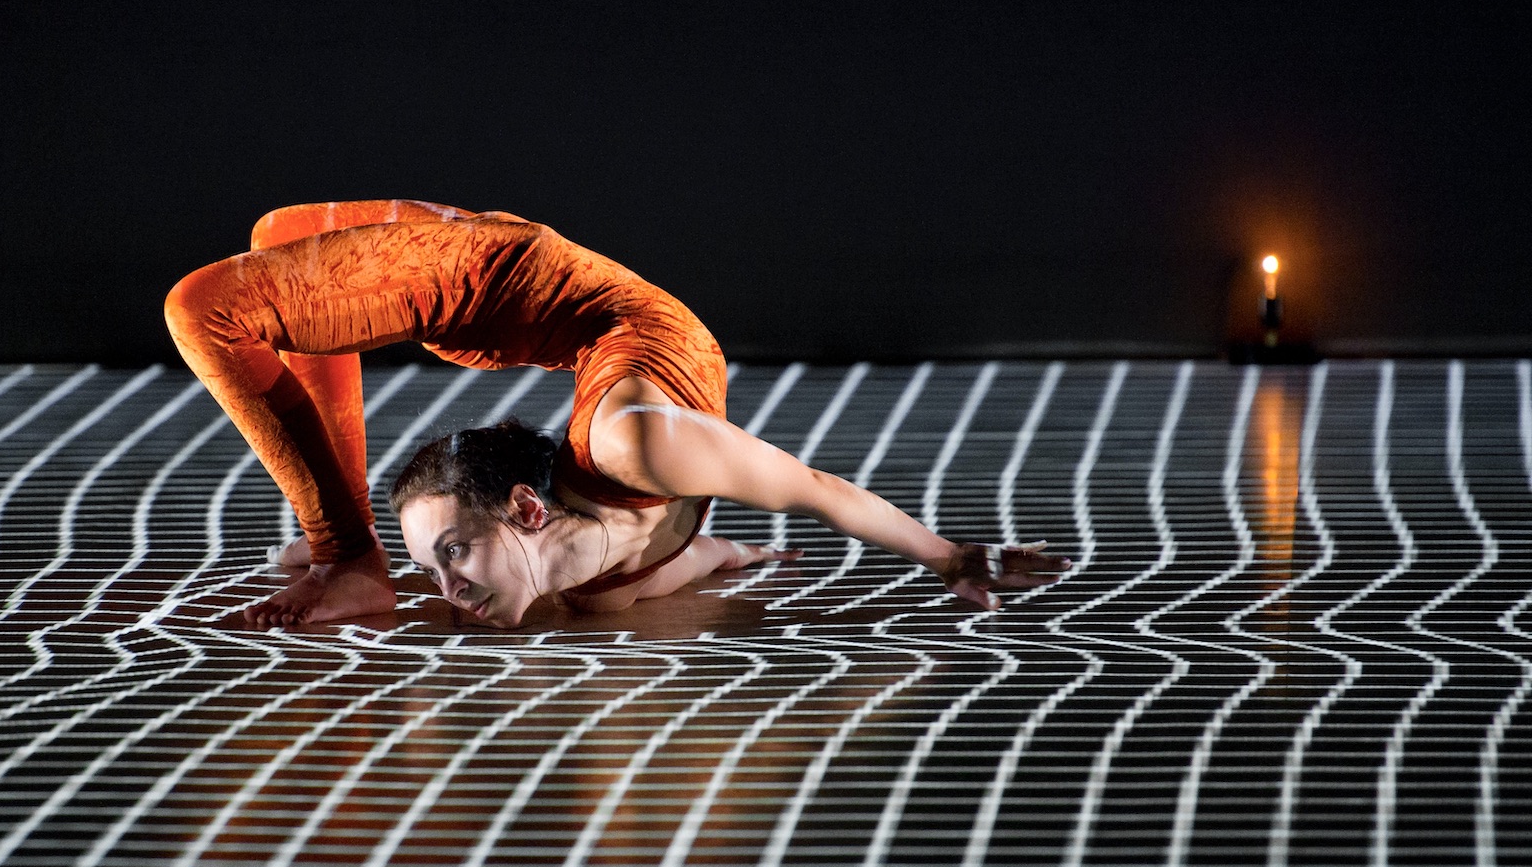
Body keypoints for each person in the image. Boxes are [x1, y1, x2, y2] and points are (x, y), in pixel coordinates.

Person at [164, 199, 1067, 629]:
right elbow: (807, 492)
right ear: (529, 509)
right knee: (250, 269)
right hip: (525, 284)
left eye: (445, 557)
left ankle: (347, 548)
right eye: (436, 565)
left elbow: (760, 525)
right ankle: (351, 549)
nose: (445, 590)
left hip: (514, 290)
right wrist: (953, 555)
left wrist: (741, 554)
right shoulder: (636, 483)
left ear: (525, 508)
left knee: (247, 273)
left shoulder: (610, 534)